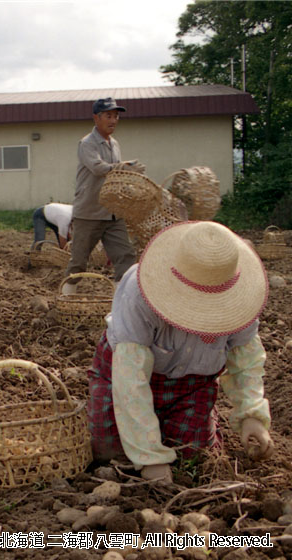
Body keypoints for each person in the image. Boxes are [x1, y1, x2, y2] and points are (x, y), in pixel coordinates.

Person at [87, 221, 273, 483]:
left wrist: (251, 415)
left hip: (192, 386)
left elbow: (246, 363)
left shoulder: (243, 301)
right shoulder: (139, 291)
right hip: (124, 375)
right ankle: (148, 431)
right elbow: (130, 381)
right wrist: (149, 457)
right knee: (107, 450)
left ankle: (191, 419)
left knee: (193, 454)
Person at [62, 97, 145, 295]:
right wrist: (124, 167)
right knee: (78, 262)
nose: (113, 120)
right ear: (96, 118)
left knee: (125, 256)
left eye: (116, 116)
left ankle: (122, 301)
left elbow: (116, 175)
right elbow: (98, 168)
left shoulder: (114, 144)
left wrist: (129, 174)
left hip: (113, 213)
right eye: (109, 115)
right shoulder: (87, 143)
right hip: (89, 212)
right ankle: (66, 299)